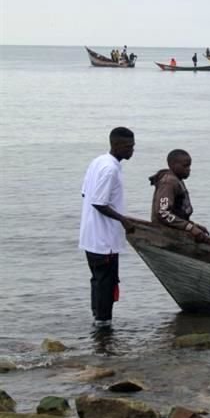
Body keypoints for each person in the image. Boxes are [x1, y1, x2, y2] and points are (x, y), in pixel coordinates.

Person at [79, 127, 136, 329]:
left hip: (90, 236)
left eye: (133, 146)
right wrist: (122, 219)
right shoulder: (110, 169)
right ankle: (103, 325)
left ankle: (98, 320)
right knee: (106, 283)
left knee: (98, 280)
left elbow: (85, 193)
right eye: (129, 147)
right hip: (104, 240)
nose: (132, 150)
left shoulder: (98, 162)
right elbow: (97, 202)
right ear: (116, 145)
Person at [149, 149, 208, 241]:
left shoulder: (177, 180)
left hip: (175, 228)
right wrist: (190, 228)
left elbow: (178, 212)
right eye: (185, 166)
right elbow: (163, 213)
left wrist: (193, 225)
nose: (188, 169)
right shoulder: (168, 183)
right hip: (166, 232)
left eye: (189, 166)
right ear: (172, 165)